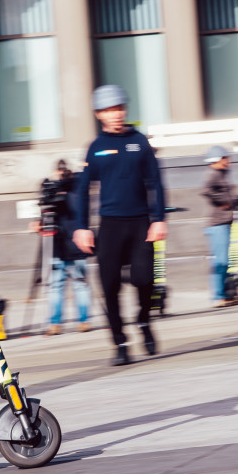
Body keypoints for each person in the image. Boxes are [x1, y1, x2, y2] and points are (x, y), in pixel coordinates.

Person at [68, 85, 167, 366]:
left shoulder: (139, 142)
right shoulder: (95, 148)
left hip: (140, 224)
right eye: (109, 110)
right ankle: (120, 343)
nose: (116, 114)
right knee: (109, 285)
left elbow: (156, 183)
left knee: (144, 279)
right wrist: (81, 226)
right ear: (99, 114)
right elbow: (83, 189)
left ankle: (144, 321)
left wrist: (159, 218)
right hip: (110, 225)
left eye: (120, 108)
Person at [41, 160, 90, 335]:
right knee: (61, 285)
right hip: (59, 244)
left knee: (77, 284)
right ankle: (58, 323)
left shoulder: (76, 189)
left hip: (74, 243)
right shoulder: (56, 189)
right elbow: (45, 211)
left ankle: (80, 321)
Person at [201, 145, 236, 307]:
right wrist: (223, 202)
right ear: (218, 160)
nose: (228, 161)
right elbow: (205, 191)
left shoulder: (221, 174)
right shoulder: (213, 174)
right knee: (220, 261)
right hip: (217, 224)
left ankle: (225, 294)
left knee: (225, 261)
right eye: (225, 158)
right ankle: (217, 296)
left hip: (224, 222)